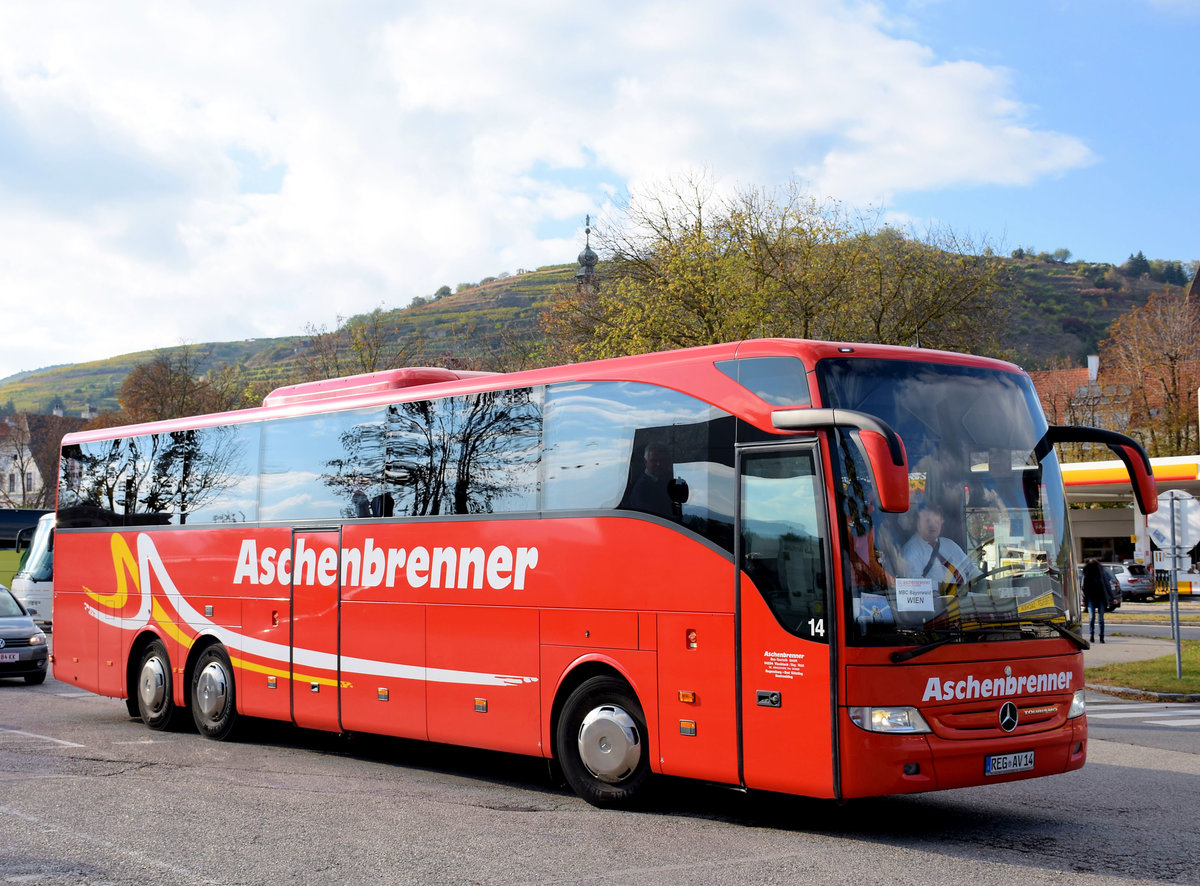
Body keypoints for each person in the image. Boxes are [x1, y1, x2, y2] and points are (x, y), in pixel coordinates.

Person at [900, 499, 979, 587]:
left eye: (937, 521)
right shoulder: (911, 551)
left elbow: (971, 570)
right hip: (936, 600)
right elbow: (916, 585)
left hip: (966, 598)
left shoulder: (950, 544)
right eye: (928, 521)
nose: (933, 525)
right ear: (917, 522)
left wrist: (984, 581)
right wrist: (950, 588)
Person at [628, 441, 675, 519]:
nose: (658, 464)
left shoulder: (669, 479)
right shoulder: (641, 488)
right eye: (654, 460)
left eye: (662, 460)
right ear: (645, 462)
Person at [1081, 558, 1108, 643]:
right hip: (1091, 598)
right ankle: (1092, 635)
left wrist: (1112, 597)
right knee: (1092, 618)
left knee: (1100, 619)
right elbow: (1083, 587)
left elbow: (1106, 585)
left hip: (1100, 598)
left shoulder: (1101, 574)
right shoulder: (1087, 574)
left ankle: (1101, 636)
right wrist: (1083, 599)